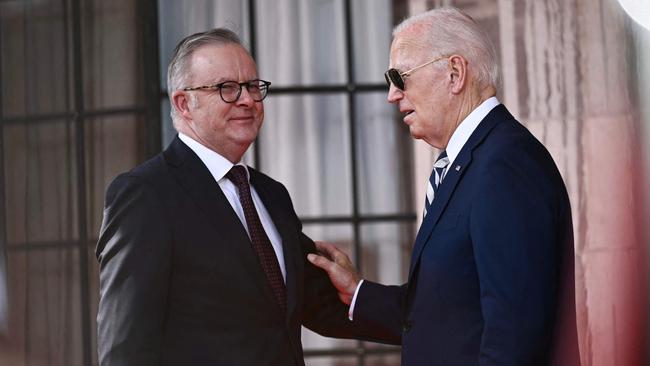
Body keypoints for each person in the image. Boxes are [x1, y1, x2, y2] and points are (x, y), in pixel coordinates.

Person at [308, 7, 581, 366]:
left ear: (454, 73)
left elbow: (515, 335)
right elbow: (449, 314)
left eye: (399, 76)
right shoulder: (472, 160)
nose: (392, 94)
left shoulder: (505, 164)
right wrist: (358, 292)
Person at [95, 28, 384, 366]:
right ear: (183, 103)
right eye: (227, 88)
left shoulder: (270, 195)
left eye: (252, 86)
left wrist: (432, 313)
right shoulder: (146, 195)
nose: (247, 100)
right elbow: (124, 348)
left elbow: (321, 306)